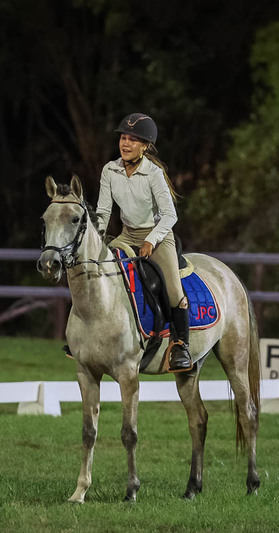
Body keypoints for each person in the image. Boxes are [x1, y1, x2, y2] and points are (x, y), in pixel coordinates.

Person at [96, 113, 192, 372]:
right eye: (123, 137)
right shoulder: (110, 170)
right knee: (97, 272)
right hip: (127, 234)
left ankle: (181, 344)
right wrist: (97, 238)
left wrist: (151, 240)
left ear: (145, 146)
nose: (125, 143)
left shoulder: (154, 173)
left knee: (173, 288)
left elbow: (170, 215)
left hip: (158, 235)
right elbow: (104, 212)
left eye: (133, 140)